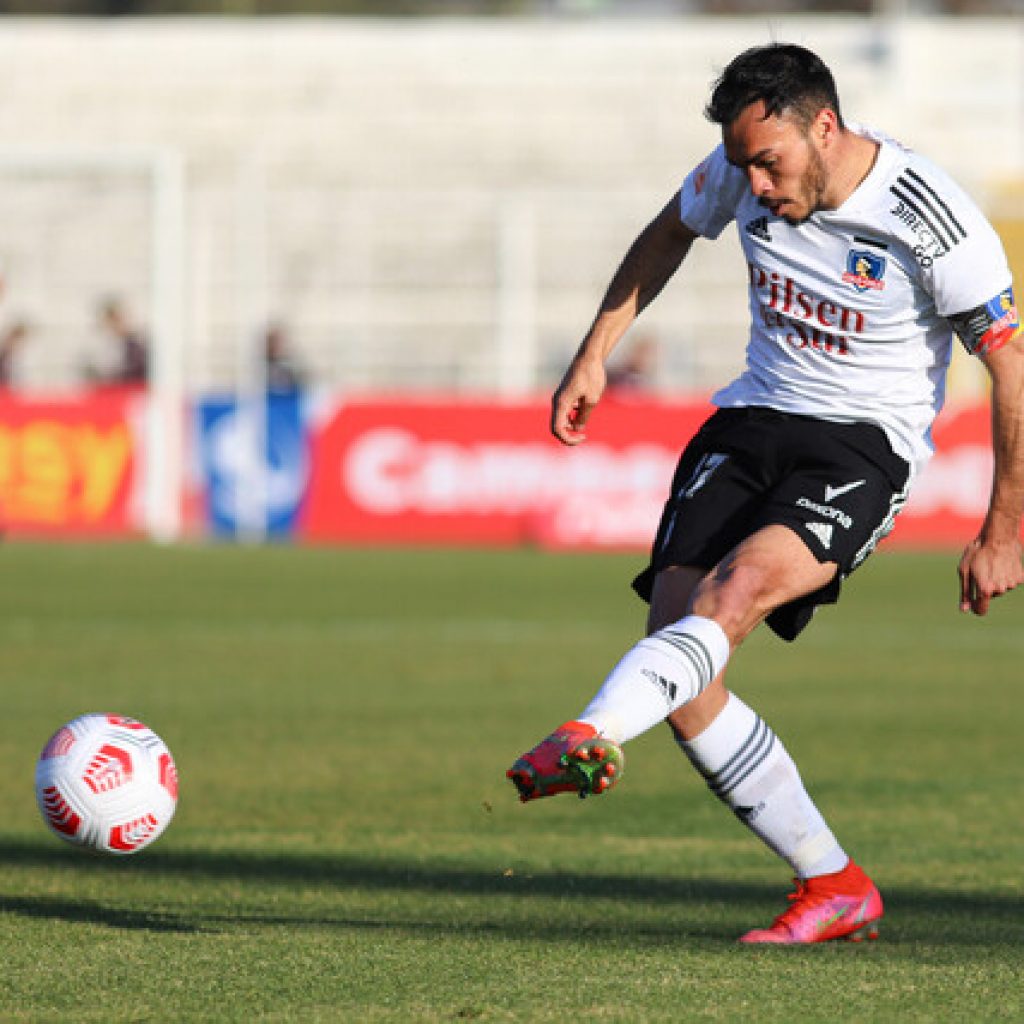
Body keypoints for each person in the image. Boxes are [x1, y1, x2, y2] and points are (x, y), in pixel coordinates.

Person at [506, 43, 1023, 945]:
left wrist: (1005, 528)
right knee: (680, 662)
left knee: (729, 600)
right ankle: (834, 883)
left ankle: (586, 730)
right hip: (750, 420)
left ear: (824, 126)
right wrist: (595, 351)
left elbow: (1010, 368)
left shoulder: (928, 215)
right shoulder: (738, 171)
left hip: (863, 445)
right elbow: (669, 232)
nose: (753, 183)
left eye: (769, 163)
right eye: (742, 163)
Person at [87, 297, 148, 385]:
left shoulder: (135, 346)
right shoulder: (98, 345)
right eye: (110, 320)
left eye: (117, 319)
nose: (114, 324)